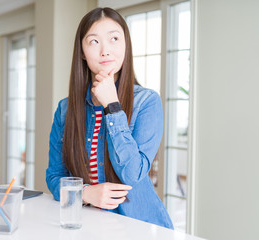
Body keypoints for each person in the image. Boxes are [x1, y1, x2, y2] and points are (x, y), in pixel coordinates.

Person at [46, 7, 173, 229]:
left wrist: (112, 107)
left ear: (126, 46)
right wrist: (85, 193)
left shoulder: (147, 102)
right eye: (94, 41)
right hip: (89, 226)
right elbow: (55, 176)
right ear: (83, 52)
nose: (105, 51)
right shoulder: (66, 109)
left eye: (114, 38)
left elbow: (133, 175)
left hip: (141, 227)